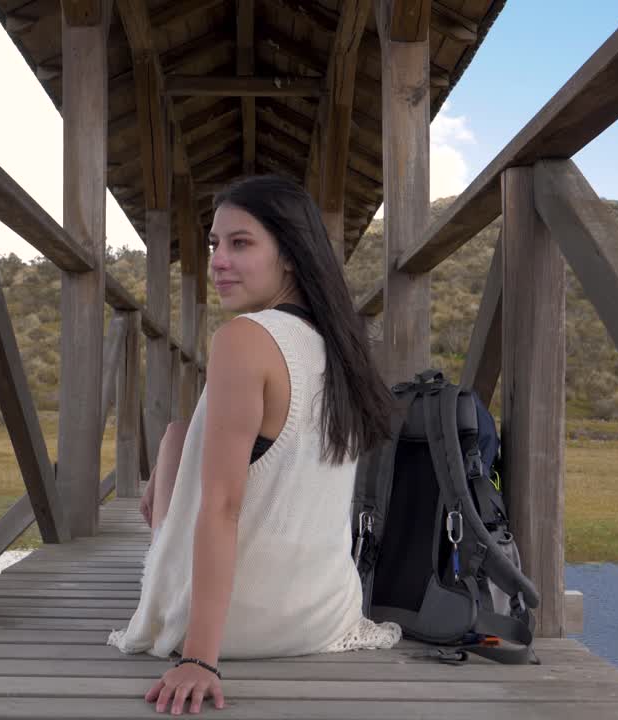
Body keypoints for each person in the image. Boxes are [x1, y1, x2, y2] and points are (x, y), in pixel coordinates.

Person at [107, 174, 400, 715]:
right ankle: (166, 522)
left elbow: (222, 507)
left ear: (289, 254)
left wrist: (199, 658)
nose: (219, 260)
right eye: (215, 244)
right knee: (177, 434)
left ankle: (166, 554)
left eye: (241, 243)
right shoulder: (339, 351)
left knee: (186, 459)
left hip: (236, 628)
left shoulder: (245, 339)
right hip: (324, 617)